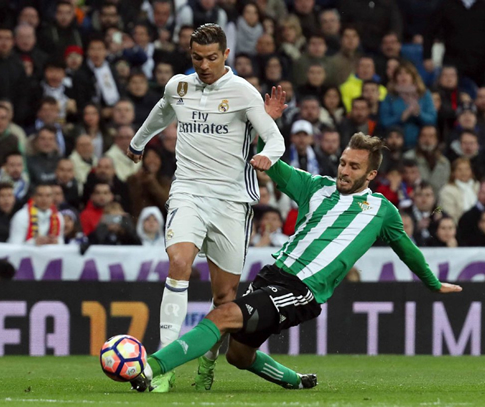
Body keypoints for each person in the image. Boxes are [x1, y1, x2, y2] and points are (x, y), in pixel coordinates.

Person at [129, 132, 462, 393]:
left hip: (303, 290)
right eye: (343, 163)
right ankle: (295, 381)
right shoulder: (314, 186)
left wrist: (432, 282)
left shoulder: (381, 211)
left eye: (354, 167)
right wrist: (267, 125)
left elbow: (406, 249)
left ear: (371, 174)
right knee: (239, 355)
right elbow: (270, 162)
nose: (345, 171)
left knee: (223, 314)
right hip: (272, 276)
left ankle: (149, 368)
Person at [126, 23, 285, 393]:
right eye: (197, 58)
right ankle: (163, 365)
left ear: (226, 55)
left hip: (232, 202)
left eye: (212, 58)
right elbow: (163, 111)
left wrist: (264, 154)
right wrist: (138, 143)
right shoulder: (178, 86)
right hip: (188, 192)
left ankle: (206, 366)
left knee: (225, 298)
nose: (204, 65)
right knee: (179, 262)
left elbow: (275, 137)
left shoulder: (242, 92)